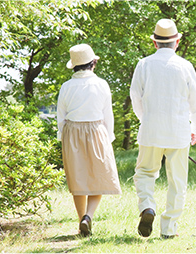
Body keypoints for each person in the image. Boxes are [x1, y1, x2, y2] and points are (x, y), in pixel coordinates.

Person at [130, 19, 196, 239]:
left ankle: (147, 207)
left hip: (151, 129)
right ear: (177, 42)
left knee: (144, 173)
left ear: (155, 43)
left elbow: (135, 97)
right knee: (177, 181)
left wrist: (146, 118)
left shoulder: (143, 64)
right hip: (179, 131)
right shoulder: (185, 66)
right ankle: (169, 228)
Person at [57, 44, 122, 237]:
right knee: (98, 177)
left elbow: (61, 116)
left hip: (72, 131)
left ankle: (80, 221)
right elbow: (107, 114)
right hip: (96, 129)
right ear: (93, 63)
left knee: (78, 179)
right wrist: (109, 138)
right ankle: (88, 216)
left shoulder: (66, 86)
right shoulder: (101, 84)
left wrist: (63, 138)